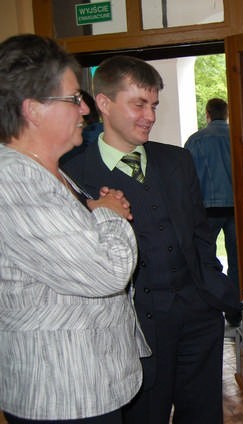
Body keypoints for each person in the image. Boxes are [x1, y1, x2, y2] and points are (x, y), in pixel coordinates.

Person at [62, 55, 243, 424]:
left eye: (154, 105)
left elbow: (200, 235)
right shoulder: (72, 172)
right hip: (132, 330)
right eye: (139, 104)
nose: (150, 116)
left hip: (197, 316)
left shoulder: (177, 160)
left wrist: (211, 293)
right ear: (105, 103)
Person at [0, 34, 148, 423]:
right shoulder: (13, 181)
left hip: (90, 382)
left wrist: (98, 209)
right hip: (62, 391)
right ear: (33, 110)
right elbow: (108, 272)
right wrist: (111, 213)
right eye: (73, 98)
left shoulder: (49, 172)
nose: (84, 108)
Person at [185, 98, 241, 328]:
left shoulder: (195, 141)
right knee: (237, 259)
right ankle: (235, 311)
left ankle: (213, 304)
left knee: (205, 259)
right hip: (237, 208)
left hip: (206, 208)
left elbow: (187, 179)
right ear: (227, 114)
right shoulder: (237, 138)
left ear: (207, 114)